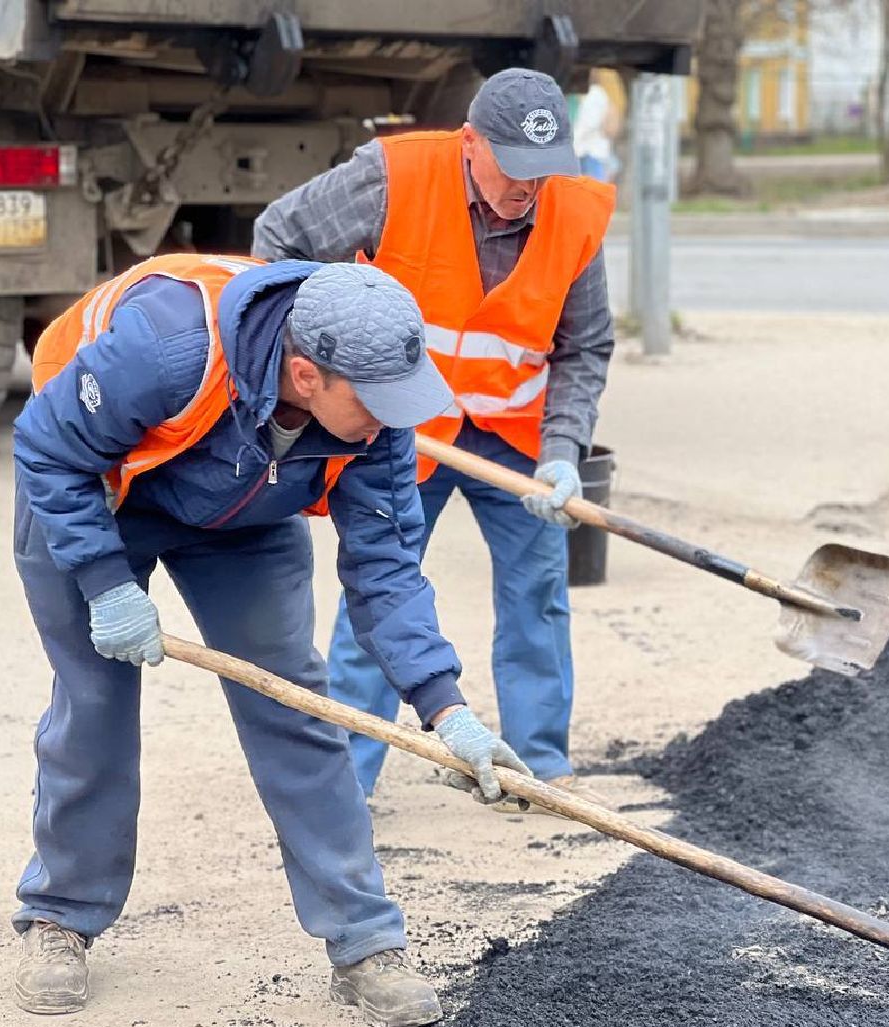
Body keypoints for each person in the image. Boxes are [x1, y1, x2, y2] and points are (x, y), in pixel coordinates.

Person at [9, 253, 532, 1026]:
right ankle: (59, 916)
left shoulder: (379, 425)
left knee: (297, 711)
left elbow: (386, 574)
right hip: (97, 499)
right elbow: (48, 449)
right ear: (306, 374)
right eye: (376, 400)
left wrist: (444, 708)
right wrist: (105, 583)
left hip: (241, 520)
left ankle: (364, 944)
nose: (395, 417)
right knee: (95, 707)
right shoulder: (169, 347)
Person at [252, 68, 616, 810]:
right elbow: (276, 241)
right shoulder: (394, 177)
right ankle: (347, 778)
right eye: (513, 167)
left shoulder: (575, 214)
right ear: (471, 141)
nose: (529, 188)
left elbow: (584, 346)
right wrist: (327, 362)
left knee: (539, 591)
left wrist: (564, 450)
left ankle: (537, 767)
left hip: (516, 437)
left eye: (543, 172)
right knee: (380, 596)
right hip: (399, 430)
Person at [573, 79, 616, 181]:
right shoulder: (579, 95)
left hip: (591, 152)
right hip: (583, 153)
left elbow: (590, 123)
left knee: (593, 190)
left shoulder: (594, 93)